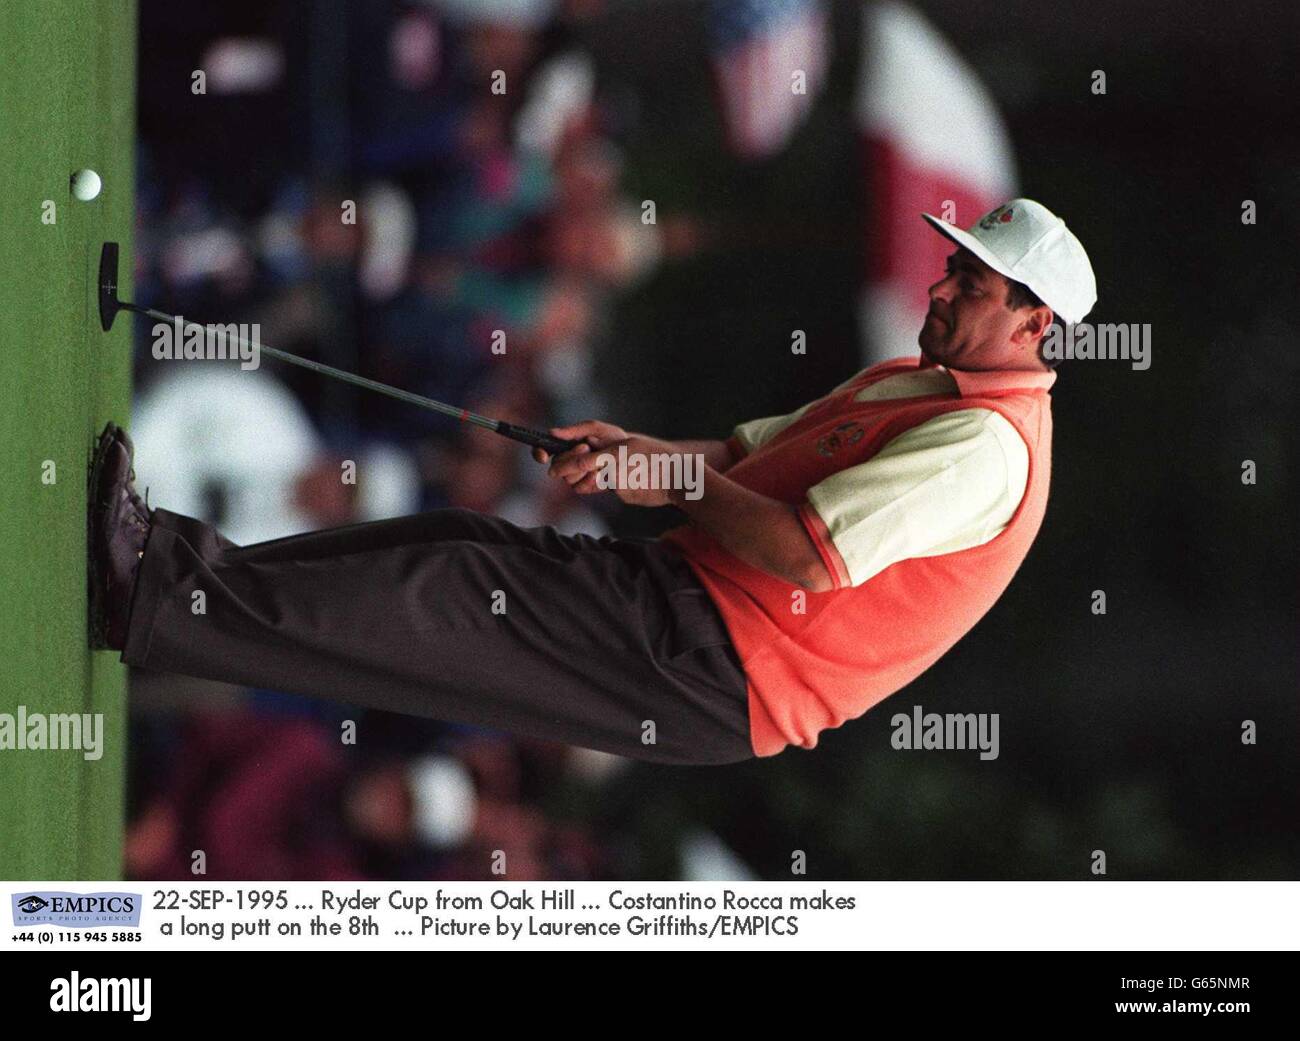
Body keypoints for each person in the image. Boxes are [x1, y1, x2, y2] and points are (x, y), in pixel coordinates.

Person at [90, 199, 1096, 765]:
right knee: (456, 550)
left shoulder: (987, 444)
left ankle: (154, 594)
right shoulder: (922, 383)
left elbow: (805, 551)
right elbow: (741, 468)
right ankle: (161, 586)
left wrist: (663, 479)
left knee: (439, 596)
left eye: (971, 283)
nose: (940, 284)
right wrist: (633, 455)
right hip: (693, 625)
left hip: (714, 666)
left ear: (1033, 324)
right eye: (953, 266)